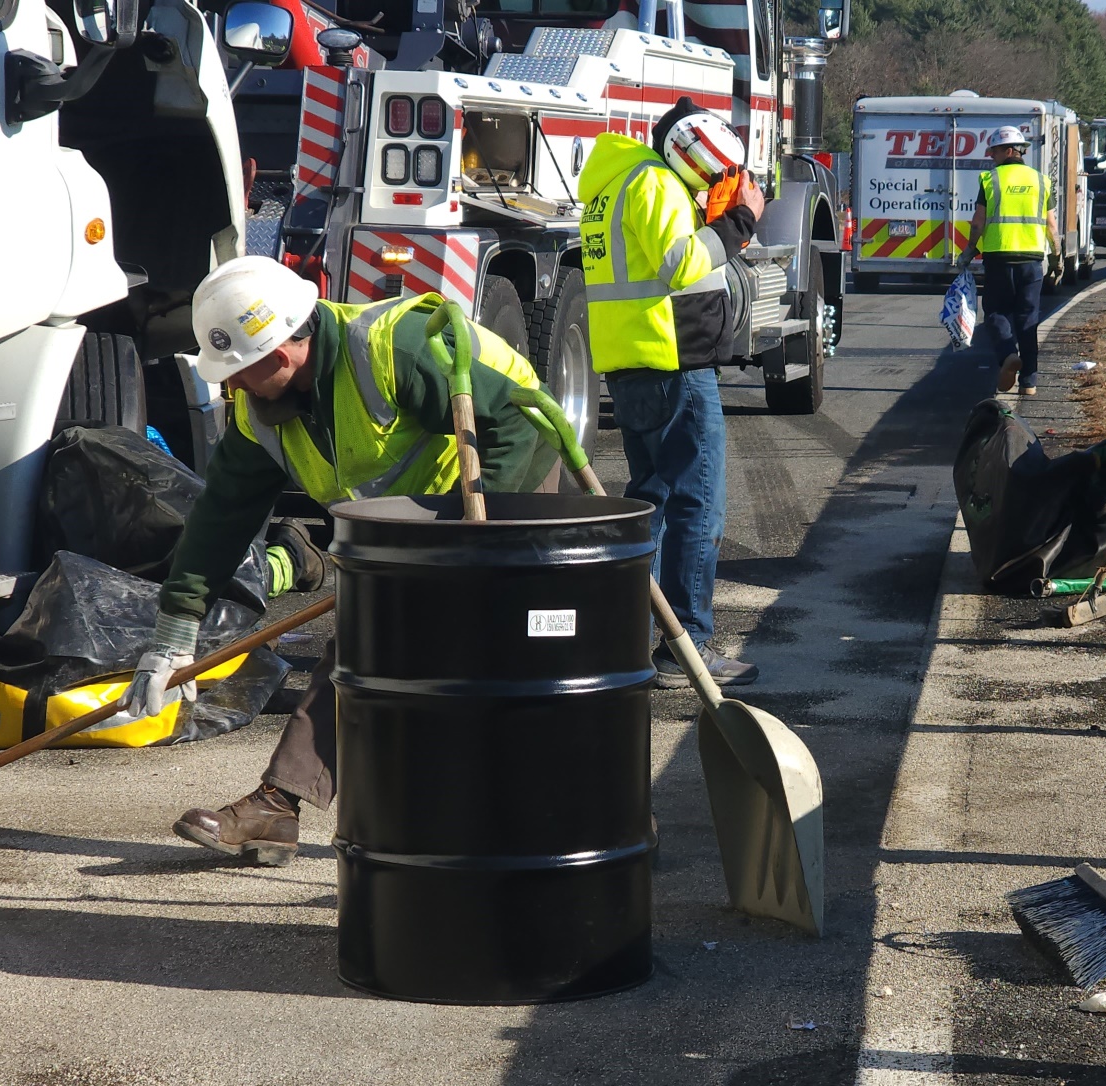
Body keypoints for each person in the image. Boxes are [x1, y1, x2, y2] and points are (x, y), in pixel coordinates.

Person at [128, 256, 557, 865]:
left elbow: (520, 421)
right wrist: (176, 633)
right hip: (400, 534)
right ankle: (278, 808)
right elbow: (221, 516)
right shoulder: (262, 414)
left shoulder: (396, 349)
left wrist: (476, 540)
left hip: (499, 489)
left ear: (282, 354)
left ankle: (585, 807)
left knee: (520, 662)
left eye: (239, 370)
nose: (233, 386)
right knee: (363, 644)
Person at [577, 100, 765, 687]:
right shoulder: (655, 183)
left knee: (650, 505)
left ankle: (634, 639)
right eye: (715, 177)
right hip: (673, 365)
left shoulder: (614, 181)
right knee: (697, 504)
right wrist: (740, 222)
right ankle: (688, 646)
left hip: (635, 363)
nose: (722, 188)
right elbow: (681, 262)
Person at [962, 125, 1058, 396]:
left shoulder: (989, 180)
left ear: (1008, 150)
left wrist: (970, 250)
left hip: (999, 257)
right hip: (1032, 260)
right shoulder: (1041, 181)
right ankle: (1029, 382)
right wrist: (1057, 258)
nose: (991, 156)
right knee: (1028, 320)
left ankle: (1007, 355)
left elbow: (978, 222)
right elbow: (1052, 226)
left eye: (993, 151)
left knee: (995, 312)